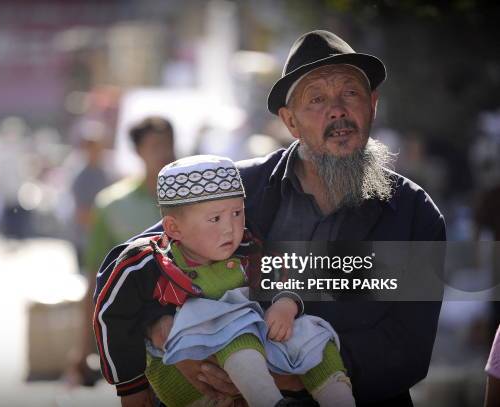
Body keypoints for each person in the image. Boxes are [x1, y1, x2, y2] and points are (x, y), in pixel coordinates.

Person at [95, 30, 446, 406]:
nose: (338, 110)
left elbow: (407, 349)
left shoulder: (413, 214)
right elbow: (129, 263)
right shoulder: (237, 189)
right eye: (317, 99)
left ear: (372, 105)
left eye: (350, 93)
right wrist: (165, 329)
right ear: (290, 121)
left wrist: (292, 378)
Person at [94, 155, 355, 407]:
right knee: (233, 326)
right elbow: (111, 315)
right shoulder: (146, 264)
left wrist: (286, 304)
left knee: (311, 334)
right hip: (191, 384)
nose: (231, 228)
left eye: (237, 213)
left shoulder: (248, 245)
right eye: (215, 219)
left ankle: (338, 397)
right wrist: (131, 387)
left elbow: (283, 277)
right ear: (174, 228)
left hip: (259, 360)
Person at [66, 116, 176, 386]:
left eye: (167, 144)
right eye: (154, 145)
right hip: (135, 335)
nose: (163, 153)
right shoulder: (111, 205)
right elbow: (96, 279)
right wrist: (84, 347)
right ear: (138, 151)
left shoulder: (196, 199)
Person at [69, 120, 110, 269]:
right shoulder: (81, 177)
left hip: (105, 242)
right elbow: (82, 213)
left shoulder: (107, 172)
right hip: (86, 241)